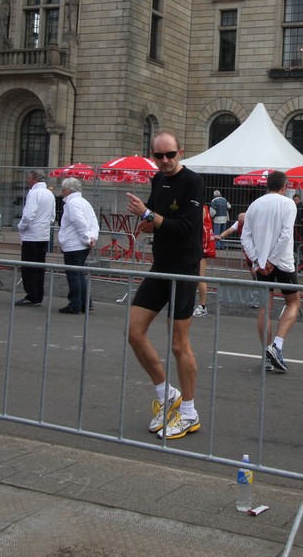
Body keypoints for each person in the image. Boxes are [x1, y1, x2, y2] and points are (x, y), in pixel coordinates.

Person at [125, 129, 205, 440]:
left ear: (180, 152)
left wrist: (149, 215)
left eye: (170, 154)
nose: (165, 160)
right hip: (160, 266)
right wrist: (147, 222)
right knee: (134, 332)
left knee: (178, 344)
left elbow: (186, 227)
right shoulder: (157, 179)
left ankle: (189, 412)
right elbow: (156, 217)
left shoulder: (193, 181)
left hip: (184, 269)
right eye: (158, 155)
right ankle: (166, 394)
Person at [240, 170, 301, 373]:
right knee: (293, 302)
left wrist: (258, 260)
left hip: (262, 263)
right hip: (282, 262)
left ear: (267, 185)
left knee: (265, 308)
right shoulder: (288, 204)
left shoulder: (254, 205)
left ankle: (267, 354)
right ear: (284, 186)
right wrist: (271, 261)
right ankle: (276, 345)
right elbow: (286, 235)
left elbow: (245, 236)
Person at [58, 177, 99, 314]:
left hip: (74, 244)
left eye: (63, 189)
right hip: (82, 244)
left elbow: (79, 223)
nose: (62, 192)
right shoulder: (84, 202)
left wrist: (87, 238)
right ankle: (86, 303)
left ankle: (75, 304)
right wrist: (92, 237)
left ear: (69, 190)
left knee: (73, 275)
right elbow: (93, 222)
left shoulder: (72, 203)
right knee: (79, 274)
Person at [15, 170, 55, 307]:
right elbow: (52, 217)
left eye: (29, 178)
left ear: (34, 179)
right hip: (43, 234)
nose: (27, 180)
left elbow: (28, 215)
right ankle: (38, 295)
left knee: (28, 267)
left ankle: (31, 296)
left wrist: (21, 227)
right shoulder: (50, 194)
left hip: (31, 235)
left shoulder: (33, 193)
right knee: (39, 267)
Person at [194, 204, 213, 318]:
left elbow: (196, 226)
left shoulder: (201, 208)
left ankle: (202, 306)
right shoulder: (202, 207)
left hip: (199, 246)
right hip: (197, 245)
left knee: (200, 276)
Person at [292, 193, 303, 272]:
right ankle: (295, 265)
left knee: (300, 248)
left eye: (297, 200)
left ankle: (301, 265)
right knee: (294, 249)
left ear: (300, 200)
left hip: (300, 231)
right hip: (293, 232)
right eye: (294, 200)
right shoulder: (291, 208)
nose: (295, 201)